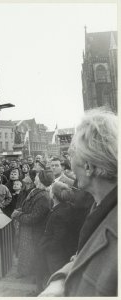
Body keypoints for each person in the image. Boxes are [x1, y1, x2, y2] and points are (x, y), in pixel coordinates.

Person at [39, 108, 117, 297]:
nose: (69, 164)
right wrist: (61, 279)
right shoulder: (99, 205)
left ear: (88, 167)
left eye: (72, 154)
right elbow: (87, 255)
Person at [11, 170, 54, 278]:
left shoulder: (43, 196)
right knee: (25, 252)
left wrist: (18, 215)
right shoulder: (36, 191)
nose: (34, 177)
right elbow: (28, 208)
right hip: (28, 230)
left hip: (34, 231)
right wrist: (20, 211)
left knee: (31, 253)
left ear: (40, 180)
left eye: (37, 176)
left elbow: (34, 218)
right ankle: (25, 272)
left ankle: (32, 276)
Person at [36, 182, 77, 294]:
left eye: (50, 190)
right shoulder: (67, 207)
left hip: (55, 254)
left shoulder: (59, 213)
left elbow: (58, 237)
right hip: (62, 251)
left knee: (54, 278)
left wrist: (48, 248)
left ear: (53, 195)